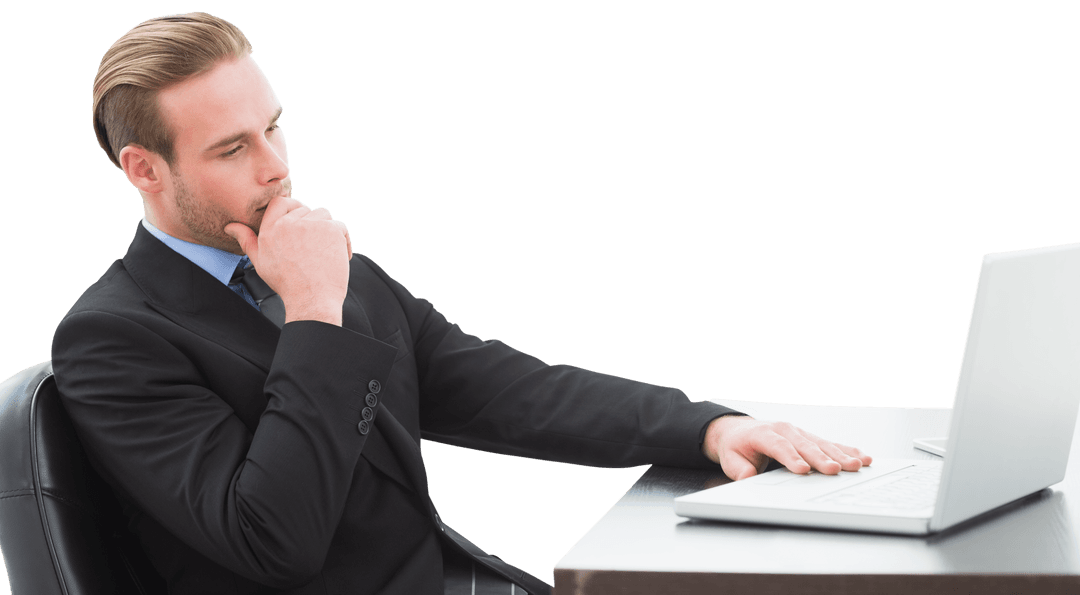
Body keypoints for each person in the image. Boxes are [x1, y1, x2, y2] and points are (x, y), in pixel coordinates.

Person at [52, 12, 872, 595]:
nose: (275, 168)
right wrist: (313, 313)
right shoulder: (114, 338)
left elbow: (501, 388)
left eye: (275, 127)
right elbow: (275, 541)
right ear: (143, 169)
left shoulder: (324, 265)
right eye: (233, 148)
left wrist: (707, 425)